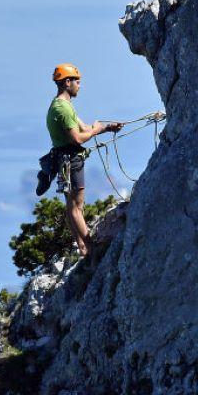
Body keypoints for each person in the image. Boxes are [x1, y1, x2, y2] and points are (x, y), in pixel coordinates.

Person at [41, 63, 122, 256]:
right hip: (72, 160)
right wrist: (95, 131)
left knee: (71, 206)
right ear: (67, 82)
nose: (79, 85)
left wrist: (106, 128)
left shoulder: (60, 105)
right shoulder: (64, 110)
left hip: (63, 159)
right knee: (77, 206)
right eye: (77, 81)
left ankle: (82, 247)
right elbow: (78, 138)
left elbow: (84, 128)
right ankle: (90, 247)